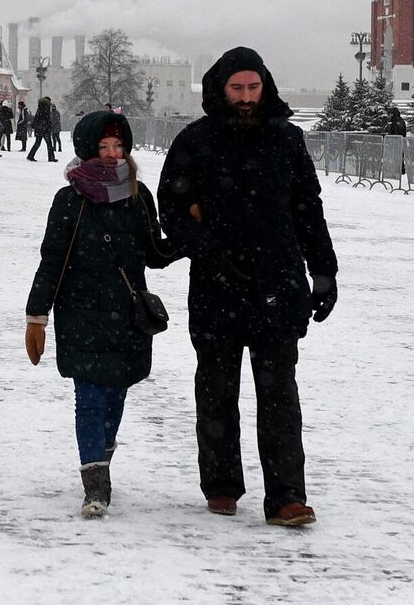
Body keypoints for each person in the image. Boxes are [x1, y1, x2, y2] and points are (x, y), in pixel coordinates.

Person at [157, 47, 338, 528]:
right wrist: (209, 251)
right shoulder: (194, 142)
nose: (244, 97)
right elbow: (171, 211)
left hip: (277, 284)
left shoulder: (287, 140)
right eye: (236, 88)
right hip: (217, 287)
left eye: (252, 88)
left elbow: (308, 209)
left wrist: (323, 271)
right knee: (216, 389)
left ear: (265, 87)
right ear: (220, 88)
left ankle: (285, 496)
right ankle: (221, 484)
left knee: (279, 393)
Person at [24, 111, 175, 518]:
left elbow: (155, 254)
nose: (111, 155)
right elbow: (51, 260)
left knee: (115, 396)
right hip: (81, 314)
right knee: (89, 398)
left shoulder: (138, 195)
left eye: (118, 147)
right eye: (103, 148)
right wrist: (36, 316)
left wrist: (193, 231)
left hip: (127, 316)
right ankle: (95, 485)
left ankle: (102, 458)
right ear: (88, 151)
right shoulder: (70, 199)